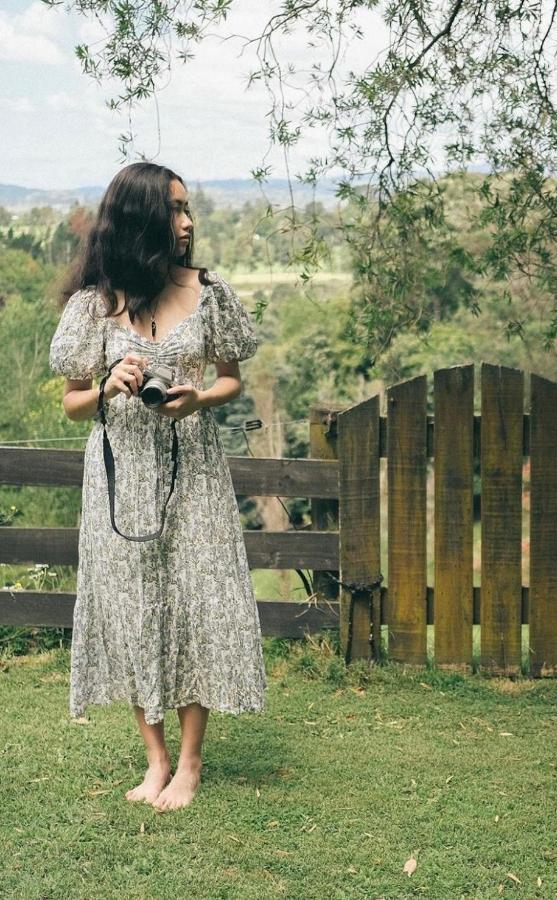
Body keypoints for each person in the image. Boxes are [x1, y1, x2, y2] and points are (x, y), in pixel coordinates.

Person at [48, 162, 267, 812]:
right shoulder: (94, 304)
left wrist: (195, 399)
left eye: (187, 208)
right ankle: (156, 760)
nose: (187, 222)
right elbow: (71, 403)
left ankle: (190, 765)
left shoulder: (208, 290)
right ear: (141, 218)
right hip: (121, 479)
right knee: (133, 608)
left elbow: (232, 381)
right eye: (174, 210)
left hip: (193, 470)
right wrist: (108, 386)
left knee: (195, 604)